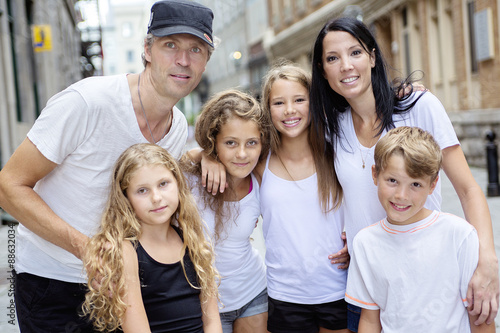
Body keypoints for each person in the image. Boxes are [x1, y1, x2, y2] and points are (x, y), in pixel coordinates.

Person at [0, 0, 215, 331]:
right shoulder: (87, 103)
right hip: (53, 284)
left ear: (205, 62)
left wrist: (208, 155)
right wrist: (84, 248)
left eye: (196, 49)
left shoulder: (174, 130)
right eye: (170, 45)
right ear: (147, 49)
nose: (183, 60)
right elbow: (8, 186)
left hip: (123, 289)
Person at [309, 16, 499, 331]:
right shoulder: (333, 126)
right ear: (322, 70)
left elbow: (467, 189)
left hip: (429, 280)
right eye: (332, 58)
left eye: (355, 53)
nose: (345, 65)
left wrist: (487, 260)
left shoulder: (418, 106)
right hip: (369, 282)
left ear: (372, 57)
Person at [345, 126, 494, 333]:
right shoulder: (365, 242)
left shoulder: (458, 235)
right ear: (375, 174)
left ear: (433, 185)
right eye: (392, 181)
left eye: (415, 184)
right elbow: (370, 320)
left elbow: (480, 317)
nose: (401, 195)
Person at [83, 143, 221, 332]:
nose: (156, 197)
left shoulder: (192, 239)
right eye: (142, 190)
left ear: (178, 183)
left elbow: (212, 321)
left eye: (163, 184)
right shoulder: (126, 251)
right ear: (126, 198)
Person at [255, 60, 349, 333]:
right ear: (268, 109)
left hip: (337, 289)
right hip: (285, 295)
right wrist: (206, 158)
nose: (290, 110)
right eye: (279, 103)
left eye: (299, 99)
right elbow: (219, 152)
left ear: (313, 102)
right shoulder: (260, 161)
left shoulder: (336, 153)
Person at [181, 89, 272, 333]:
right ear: (214, 142)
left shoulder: (261, 180)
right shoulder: (191, 179)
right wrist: (203, 156)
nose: (242, 154)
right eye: (230, 143)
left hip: (253, 293)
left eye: (251, 143)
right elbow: (162, 165)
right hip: (200, 301)